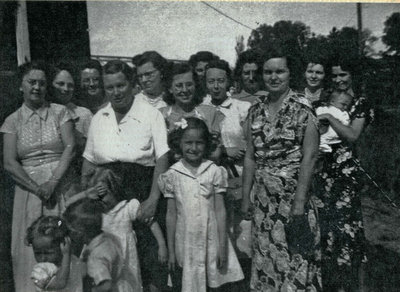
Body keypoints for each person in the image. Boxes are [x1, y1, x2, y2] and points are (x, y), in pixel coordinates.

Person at [82, 60, 170, 291]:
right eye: (110, 87)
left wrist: (152, 199)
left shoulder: (151, 114)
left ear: (132, 85)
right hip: (106, 196)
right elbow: (88, 161)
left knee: (149, 259)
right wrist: (87, 196)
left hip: (141, 189)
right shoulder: (99, 117)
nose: (116, 92)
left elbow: (162, 158)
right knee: (113, 261)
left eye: (120, 86)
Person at [240, 48, 321, 291]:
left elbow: (311, 155)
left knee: (294, 262)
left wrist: (299, 202)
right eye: (268, 72)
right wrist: (246, 197)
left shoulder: (303, 108)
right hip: (263, 203)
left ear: (289, 74)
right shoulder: (255, 111)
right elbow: (250, 158)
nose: (273, 77)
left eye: (280, 71)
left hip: (294, 197)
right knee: (266, 261)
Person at [1, 60, 76, 292]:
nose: (37, 87)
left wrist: (53, 182)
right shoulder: (12, 121)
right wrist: (36, 187)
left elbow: (70, 147)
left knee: (63, 243)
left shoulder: (60, 112)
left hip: (60, 185)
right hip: (29, 191)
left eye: (41, 83)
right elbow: (9, 162)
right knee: (28, 249)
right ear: (21, 86)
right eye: (31, 82)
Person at [159, 117, 244, 292]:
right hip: (186, 240)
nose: (194, 148)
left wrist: (222, 246)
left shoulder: (213, 170)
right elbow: (171, 214)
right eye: (188, 142)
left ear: (206, 145)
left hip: (211, 238)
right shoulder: (173, 175)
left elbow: (220, 210)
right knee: (191, 283)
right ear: (179, 144)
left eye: (199, 143)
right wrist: (172, 251)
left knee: (213, 282)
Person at [314, 55, 373, 292]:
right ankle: (332, 285)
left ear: (353, 75)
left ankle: (355, 287)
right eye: (335, 75)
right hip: (323, 172)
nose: (338, 80)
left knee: (347, 229)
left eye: (343, 75)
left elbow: (352, 135)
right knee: (326, 229)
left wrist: (328, 117)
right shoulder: (327, 99)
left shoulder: (361, 103)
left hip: (346, 174)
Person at [65, 168, 168, 292]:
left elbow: (150, 221)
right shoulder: (96, 212)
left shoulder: (127, 208)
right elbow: (68, 205)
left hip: (124, 260)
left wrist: (162, 245)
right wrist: (86, 194)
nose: (100, 198)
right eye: (97, 195)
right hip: (101, 258)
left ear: (114, 189)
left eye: (103, 194)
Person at [160, 62, 224, 162]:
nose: (185, 90)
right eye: (179, 86)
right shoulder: (161, 115)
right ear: (170, 88)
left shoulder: (209, 113)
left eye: (189, 84)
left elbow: (216, 153)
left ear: (196, 86)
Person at [63, 198, 128, 292]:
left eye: (71, 231)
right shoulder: (108, 239)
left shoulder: (95, 257)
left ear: (81, 232)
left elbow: (106, 285)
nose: (69, 235)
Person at [26, 216, 82, 292]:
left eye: (48, 253)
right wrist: (66, 256)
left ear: (63, 245)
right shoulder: (41, 270)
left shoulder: (74, 261)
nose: (43, 258)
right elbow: (61, 283)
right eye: (38, 253)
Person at [48, 60, 93, 154]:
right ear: (50, 85)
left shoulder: (84, 114)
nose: (66, 89)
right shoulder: (42, 112)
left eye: (70, 85)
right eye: (60, 84)